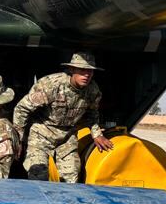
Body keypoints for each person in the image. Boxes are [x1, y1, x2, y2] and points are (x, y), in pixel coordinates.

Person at [12, 52, 114, 183]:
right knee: (38, 173)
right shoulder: (52, 85)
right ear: (71, 70)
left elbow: (92, 113)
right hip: (41, 133)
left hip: (67, 136)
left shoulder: (92, 91)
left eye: (90, 71)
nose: (86, 74)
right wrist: (18, 139)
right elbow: (22, 108)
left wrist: (97, 134)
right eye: (82, 70)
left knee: (71, 178)